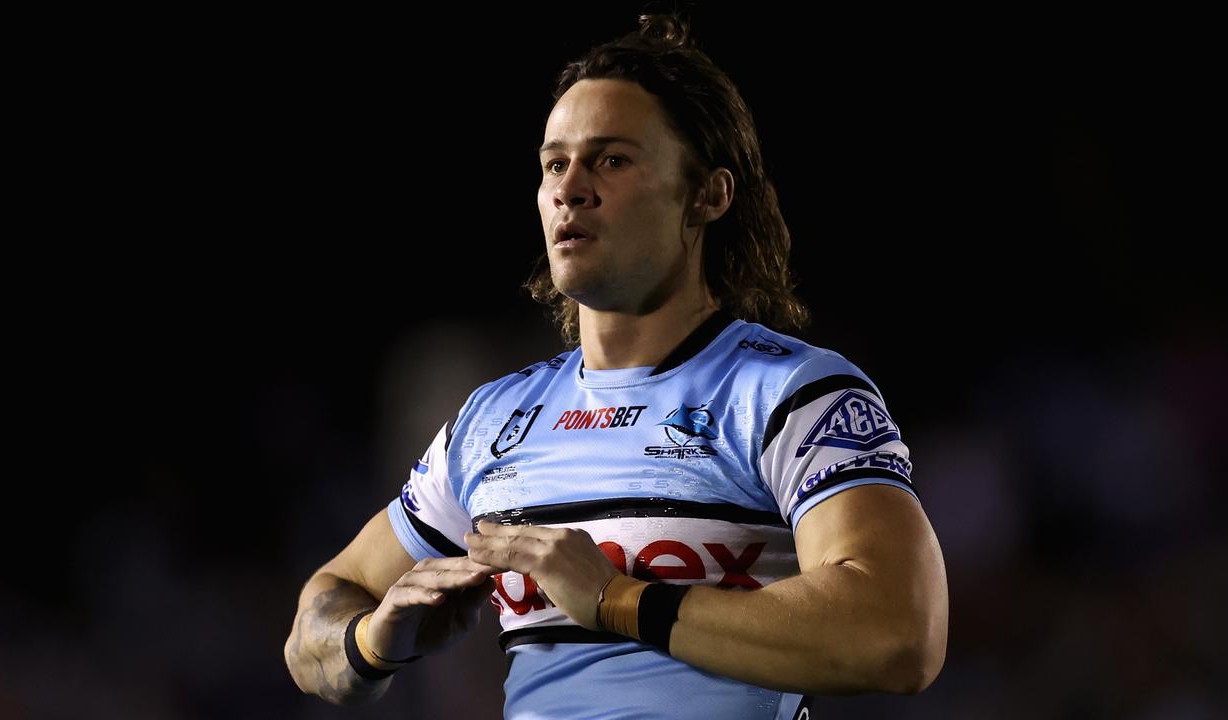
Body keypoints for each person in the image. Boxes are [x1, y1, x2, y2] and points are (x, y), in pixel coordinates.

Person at [284, 13, 948, 719]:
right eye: (553, 163)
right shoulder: (492, 423)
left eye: (611, 160)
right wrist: (373, 639)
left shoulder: (791, 393)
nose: (570, 188)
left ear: (707, 194)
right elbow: (313, 633)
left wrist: (617, 600)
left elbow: (897, 634)